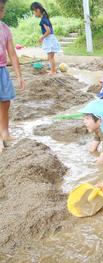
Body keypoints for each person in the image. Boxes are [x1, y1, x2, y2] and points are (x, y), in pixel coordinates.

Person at [0, 0, 25, 152]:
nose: (0, 12)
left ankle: (5, 132)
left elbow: (13, 55)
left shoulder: (5, 29)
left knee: (5, 103)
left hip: (2, 70)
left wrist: (19, 76)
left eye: (1, 9)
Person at [31, 2, 60, 75]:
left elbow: (48, 31)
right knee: (51, 57)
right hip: (51, 38)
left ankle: (53, 72)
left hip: (49, 39)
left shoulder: (43, 20)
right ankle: (53, 70)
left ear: (37, 10)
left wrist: (42, 37)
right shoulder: (45, 17)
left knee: (50, 57)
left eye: (33, 12)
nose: (34, 14)